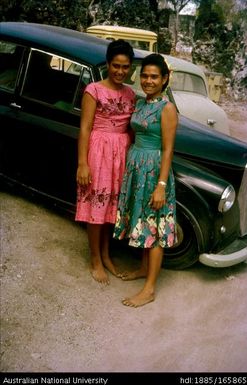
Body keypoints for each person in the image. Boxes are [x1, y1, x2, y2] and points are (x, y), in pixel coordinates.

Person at [113, 53, 178, 307]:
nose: (148, 80)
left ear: (164, 79)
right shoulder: (140, 104)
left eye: (154, 77)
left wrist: (161, 185)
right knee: (141, 220)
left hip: (153, 171)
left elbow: (169, 149)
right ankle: (142, 269)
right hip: (136, 167)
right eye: (145, 76)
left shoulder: (167, 108)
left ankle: (149, 289)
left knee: (154, 226)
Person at [75, 39, 135, 285]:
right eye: (116, 66)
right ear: (108, 64)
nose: (120, 71)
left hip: (120, 153)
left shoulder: (131, 93)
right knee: (96, 206)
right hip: (98, 151)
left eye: (125, 67)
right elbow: (85, 128)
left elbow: (131, 127)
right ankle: (95, 259)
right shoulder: (94, 90)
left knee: (111, 206)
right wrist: (82, 163)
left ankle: (107, 254)